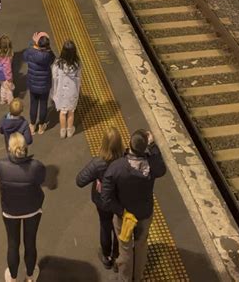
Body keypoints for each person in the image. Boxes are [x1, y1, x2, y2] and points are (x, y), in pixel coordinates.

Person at [101, 129, 166, 282]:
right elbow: (161, 168)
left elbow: (106, 197)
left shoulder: (116, 168)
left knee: (125, 249)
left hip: (125, 216)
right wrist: (153, 146)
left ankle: (125, 279)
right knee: (141, 245)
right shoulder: (152, 166)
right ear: (145, 148)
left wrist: (121, 212)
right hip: (144, 213)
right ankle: (138, 277)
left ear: (129, 144)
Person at [0, 131, 45, 282]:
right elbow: (41, 179)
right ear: (25, 147)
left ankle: (13, 277)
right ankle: (30, 276)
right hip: (32, 210)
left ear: (9, 148)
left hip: (10, 211)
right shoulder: (36, 165)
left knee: (13, 243)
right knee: (30, 243)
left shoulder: (1, 165)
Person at [76, 126, 123, 269]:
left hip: (102, 201)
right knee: (119, 228)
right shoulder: (125, 159)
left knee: (105, 225)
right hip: (120, 200)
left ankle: (106, 256)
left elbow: (80, 180)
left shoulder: (98, 163)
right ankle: (117, 256)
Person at [23, 31, 55, 135]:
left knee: (33, 103)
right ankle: (41, 126)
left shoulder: (30, 52)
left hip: (33, 83)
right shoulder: (48, 54)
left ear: (37, 43)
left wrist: (33, 44)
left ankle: (32, 126)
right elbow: (53, 59)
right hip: (45, 83)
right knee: (43, 104)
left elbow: (24, 56)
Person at [51, 39, 81, 138]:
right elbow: (78, 78)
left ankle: (62, 131)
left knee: (62, 112)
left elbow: (54, 76)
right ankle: (70, 130)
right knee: (71, 112)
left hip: (61, 91)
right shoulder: (77, 63)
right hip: (72, 91)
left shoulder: (58, 63)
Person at [0, 34, 15, 106]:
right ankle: (10, 101)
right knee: (9, 89)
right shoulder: (6, 59)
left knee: (3, 86)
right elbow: (7, 70)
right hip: (5, 76)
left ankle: (2, 99)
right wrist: (10, 79)